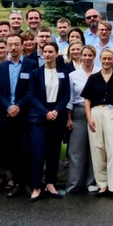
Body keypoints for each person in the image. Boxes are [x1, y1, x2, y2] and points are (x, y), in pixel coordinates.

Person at [0, 33, 37, 198]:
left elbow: (33, 90)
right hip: (6, 115)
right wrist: (8, 106)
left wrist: (18, 105)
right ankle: (17, 183)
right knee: (10, 151)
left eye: (16, 44)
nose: (13, 47)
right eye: (9, 44)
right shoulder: (0, 67)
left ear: (21, 46)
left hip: (24, 115)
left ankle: (28, 183)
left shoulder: (32, 65)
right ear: (6, 47)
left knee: (25, 150)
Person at [28, 42, 70, 202]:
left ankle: (51, 183)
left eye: (50, 51)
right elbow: (32, 95)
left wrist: (56, 111)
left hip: (57, 116)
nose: (47, 54)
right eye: (44, 51)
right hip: (40, 117)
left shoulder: (64, 73)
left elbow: (66, 95)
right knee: (38, 153)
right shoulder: (35, 73)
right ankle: (37, 187)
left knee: (54, 153)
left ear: (57, 53)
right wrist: (45, 112)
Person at [82, 48, 113, 198]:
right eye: (104, 59)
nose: (106, 61)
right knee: (97, 148)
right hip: (95, 112)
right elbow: (86, 100)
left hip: (112, 112)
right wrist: (89, 118)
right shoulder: (93, 78)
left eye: (109, 59)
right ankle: (102, 185)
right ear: (99, 60)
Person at [65, 45, 98, 194]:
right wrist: (69, 118)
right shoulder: (73, 75)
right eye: (84, 55)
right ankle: (74, 184)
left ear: (94, 56)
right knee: (76, 150)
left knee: (95, 150)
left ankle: (92, 183)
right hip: (78, 113)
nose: (86, 58)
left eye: (90, 55)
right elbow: (69, 98)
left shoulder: (100, 72)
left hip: (96, 112)